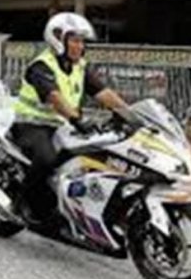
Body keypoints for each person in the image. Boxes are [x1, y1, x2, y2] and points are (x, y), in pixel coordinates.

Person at [12, 12, 129, 223]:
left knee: (96, 156)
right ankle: (24, 203)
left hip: (63, 126)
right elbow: (55, 97)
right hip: (32, 125)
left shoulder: (80, 67)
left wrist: (130, 114)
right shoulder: (41, 66)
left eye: (82, 42)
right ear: (58, 40)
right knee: (47, 159)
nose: (80, 47)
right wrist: (77, 119)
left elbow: (104, 93)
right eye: (75, 41)